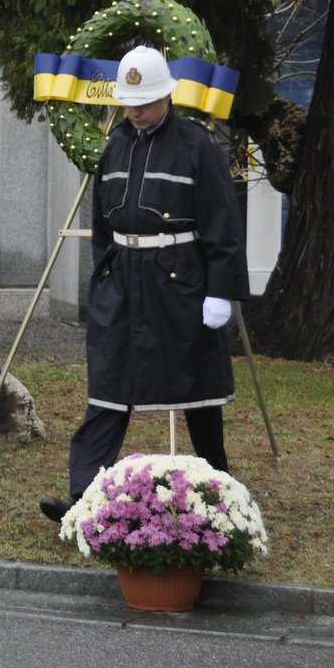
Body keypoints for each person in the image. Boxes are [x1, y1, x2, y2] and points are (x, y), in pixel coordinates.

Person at [39, 46, 248, 522]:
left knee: (197, 392)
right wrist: (106, 275)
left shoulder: (197, 146)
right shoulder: (115, 145)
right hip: (123, 281)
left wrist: (220, 291)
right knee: (108, 387)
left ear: (167, 97)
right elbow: (101, 223)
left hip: (179, 283)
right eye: (129, 102)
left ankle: (219, 492)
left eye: (144, 102)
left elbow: (223, 223)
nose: (134, 110)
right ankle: (84, 496)